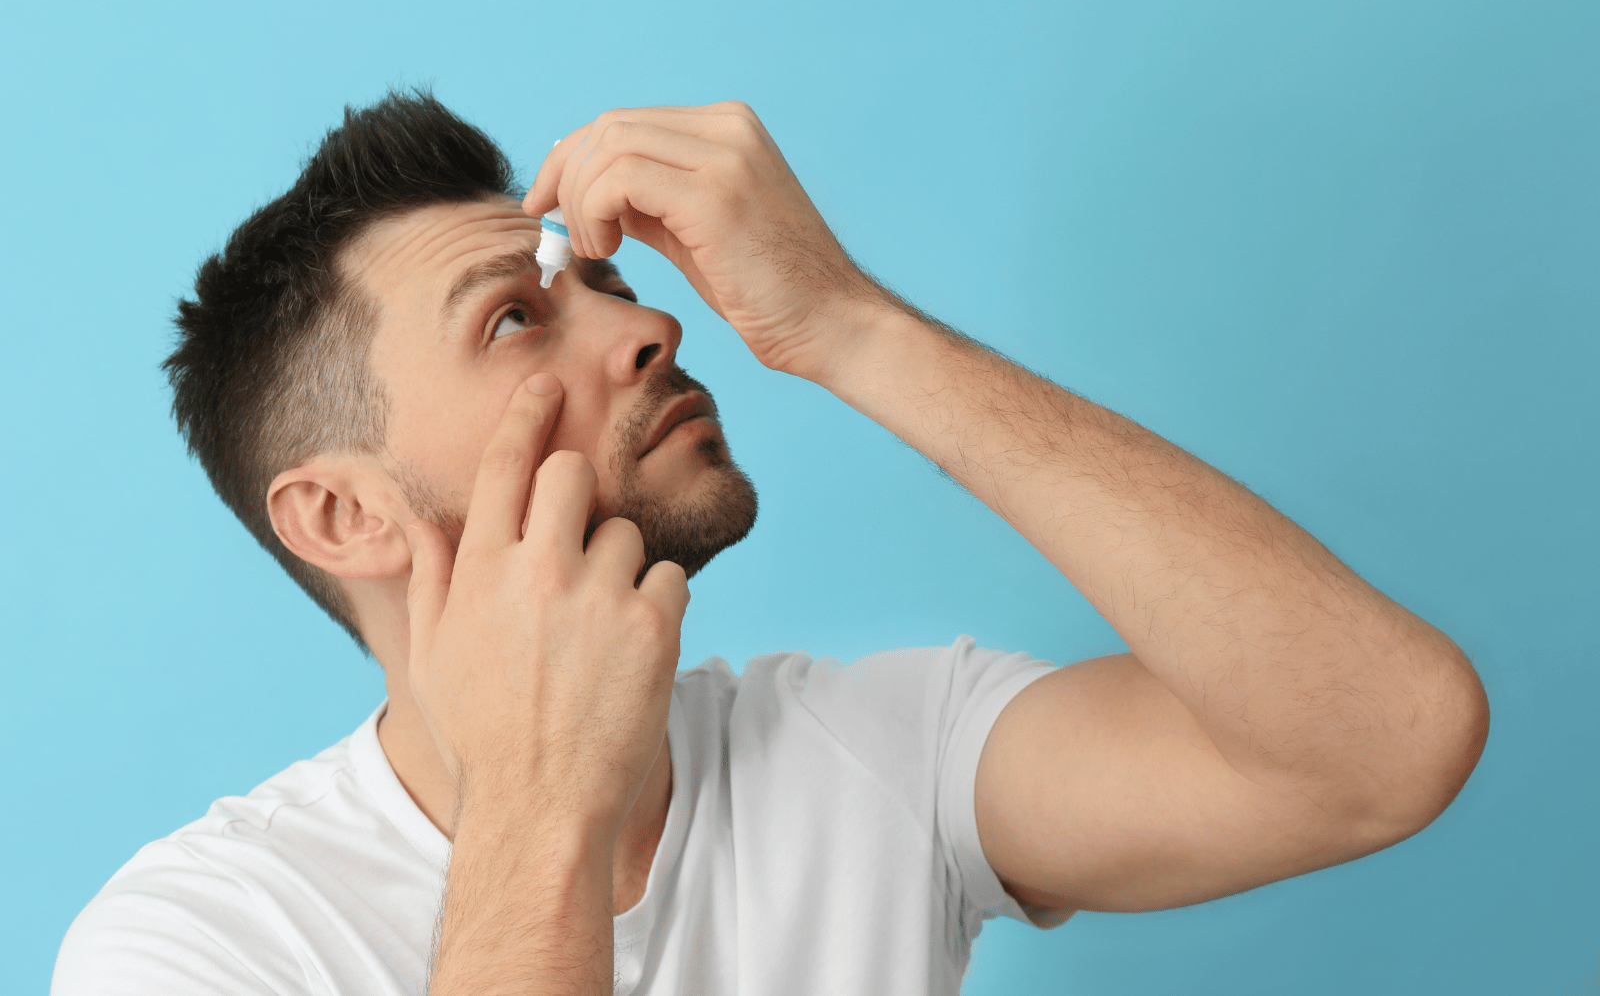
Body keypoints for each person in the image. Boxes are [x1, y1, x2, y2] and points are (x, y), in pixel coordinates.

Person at [53, 93, 1489, 996]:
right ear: (343, 515)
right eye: (514, 317)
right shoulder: (196, 942)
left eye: (606, 282)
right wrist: (541, 806)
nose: (647, 323)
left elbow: (1384, 743)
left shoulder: (873, 756)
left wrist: (849, 324)